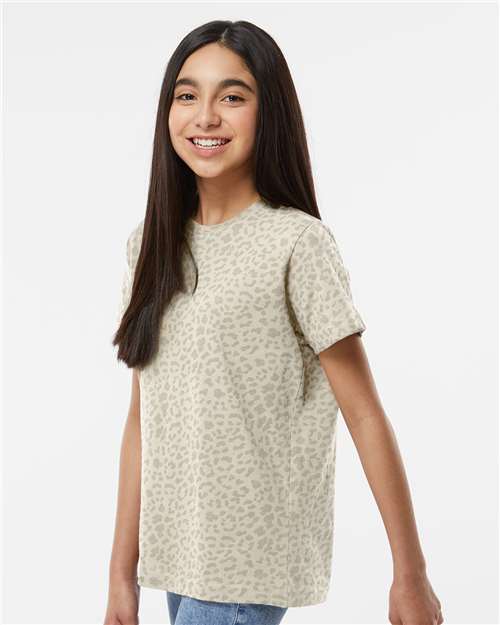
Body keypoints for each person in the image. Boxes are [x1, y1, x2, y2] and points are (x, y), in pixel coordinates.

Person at [104, 19, 444, 625]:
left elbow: (364, 413)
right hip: (177, 559)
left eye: (232, 97)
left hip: (246, 566)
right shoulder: (150, 245)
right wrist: (120, 579)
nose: (206, 116)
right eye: (187, 95)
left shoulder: (296, 243)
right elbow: (141, 420)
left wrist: (410, 574)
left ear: (270, 113)